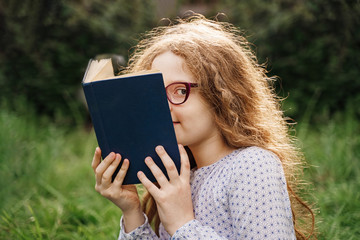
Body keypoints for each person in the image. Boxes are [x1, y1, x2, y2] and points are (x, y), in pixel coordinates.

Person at [91, 14, 316, 239]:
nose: (163, 106)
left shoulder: (252, 165)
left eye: (179, 91)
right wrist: (132, 211)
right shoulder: (179, 173)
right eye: (154, 93)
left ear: (220, 95)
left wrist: (183, 224)